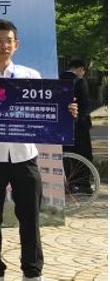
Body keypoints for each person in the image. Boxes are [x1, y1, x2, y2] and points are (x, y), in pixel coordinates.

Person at [0, 19, 76, 281]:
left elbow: (48, 110)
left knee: (30, 217)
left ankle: (32, 273)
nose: (4, 45)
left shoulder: (30, 75)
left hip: (25, 156)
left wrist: (66, 111)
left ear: (17, 44)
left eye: (9, 40)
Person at [61, 58, 93, 189]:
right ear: (80, 69)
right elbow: (85, 106)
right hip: (79, 126)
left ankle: (67, 184)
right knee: (83, 154)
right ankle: (82, 184)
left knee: (65, 155)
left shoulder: (57, 79)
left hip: (61, 126)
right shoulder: (80, 81)